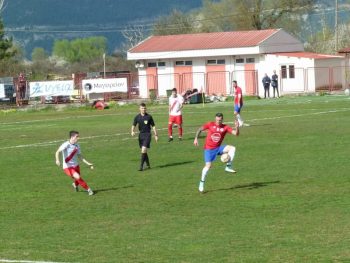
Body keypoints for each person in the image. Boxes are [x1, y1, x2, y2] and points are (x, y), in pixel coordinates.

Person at [193, 113, 240, 193]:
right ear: (215, 119)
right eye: (217, 120)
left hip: (218, 148)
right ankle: (202, 182)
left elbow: (236, 134)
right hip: (209, 150)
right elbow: (200, 129)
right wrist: (196, 138)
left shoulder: (225, 127)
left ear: (222, 119)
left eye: (220, 120)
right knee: (208, 166)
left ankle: (228, 166)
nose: (218, 121)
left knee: (232, 148)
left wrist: (237, 127)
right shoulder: (210, 124)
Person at [55, 130, 94, 196]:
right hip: (67, 167)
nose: (78, 138)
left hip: (76, 165)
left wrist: (88, 163)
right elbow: (57, 152)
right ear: (72, 137)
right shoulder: (66, 144)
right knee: (78, 177)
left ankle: (75, 185)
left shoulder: (77, 145)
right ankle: (89, 190)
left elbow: (80, 156)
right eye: (77, 136)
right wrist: (57, 160)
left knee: (77, 179)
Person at [131, 103, 158, 171]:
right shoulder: (137, 117)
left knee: (143, 149)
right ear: (139, 109)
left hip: (147, 135)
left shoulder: (149, 117)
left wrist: (156, 135)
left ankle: (141, 167)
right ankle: (148, 164)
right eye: (142, 108)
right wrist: (132, 131)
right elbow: (134, 125)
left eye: (145, 108)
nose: (144, 109)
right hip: (141, 135)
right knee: (144, 151)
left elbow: (153, 126)